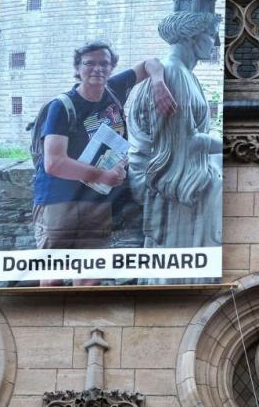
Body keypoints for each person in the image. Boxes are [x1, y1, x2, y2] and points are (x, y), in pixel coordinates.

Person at [33, 40, 176, 286]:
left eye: (104, 63)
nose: (97, 69)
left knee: (89, 278)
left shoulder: (115, 89)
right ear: (78, 68)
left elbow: (150, 63)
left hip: (97, 201)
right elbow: (54, 163)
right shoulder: (62, 106)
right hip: (59, 201)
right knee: (52, 278)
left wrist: (158, 83)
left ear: (112, 68)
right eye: (89, 63)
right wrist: (102, 175)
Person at [126, 0, 223, 254]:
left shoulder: (183, 73)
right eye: (212, 34)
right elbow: (180, 146)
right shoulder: (173, 73)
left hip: (178, 167)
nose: (217, 43)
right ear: (193, 35)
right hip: (166, 179)